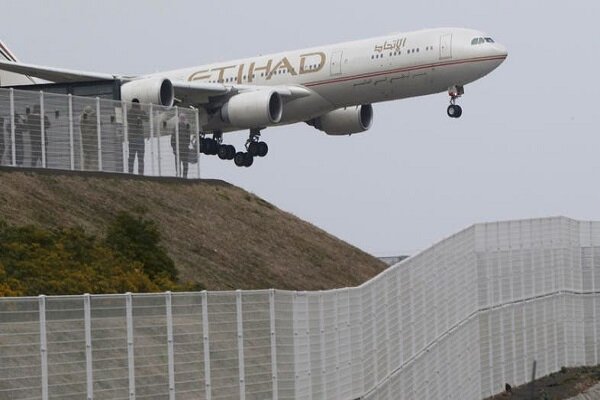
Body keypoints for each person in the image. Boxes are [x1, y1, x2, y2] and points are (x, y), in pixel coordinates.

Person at [126, 101, 148, 175]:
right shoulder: (141, 112)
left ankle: (130, 173)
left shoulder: (129, 113)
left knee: (131, 157)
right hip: (140, 138)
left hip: (132, 138)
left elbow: (127, 119)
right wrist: (141, 111)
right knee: (141, 158)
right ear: (138, 104)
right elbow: (147, 119)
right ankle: (141, 174)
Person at [79, 106, 98, 170]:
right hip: (92, 143)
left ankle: (86, 170)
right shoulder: (93, 119)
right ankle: (93, 171)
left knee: (87, 158)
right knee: (92, 158)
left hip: (86, 143)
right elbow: (99, 123)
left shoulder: (82, 119)